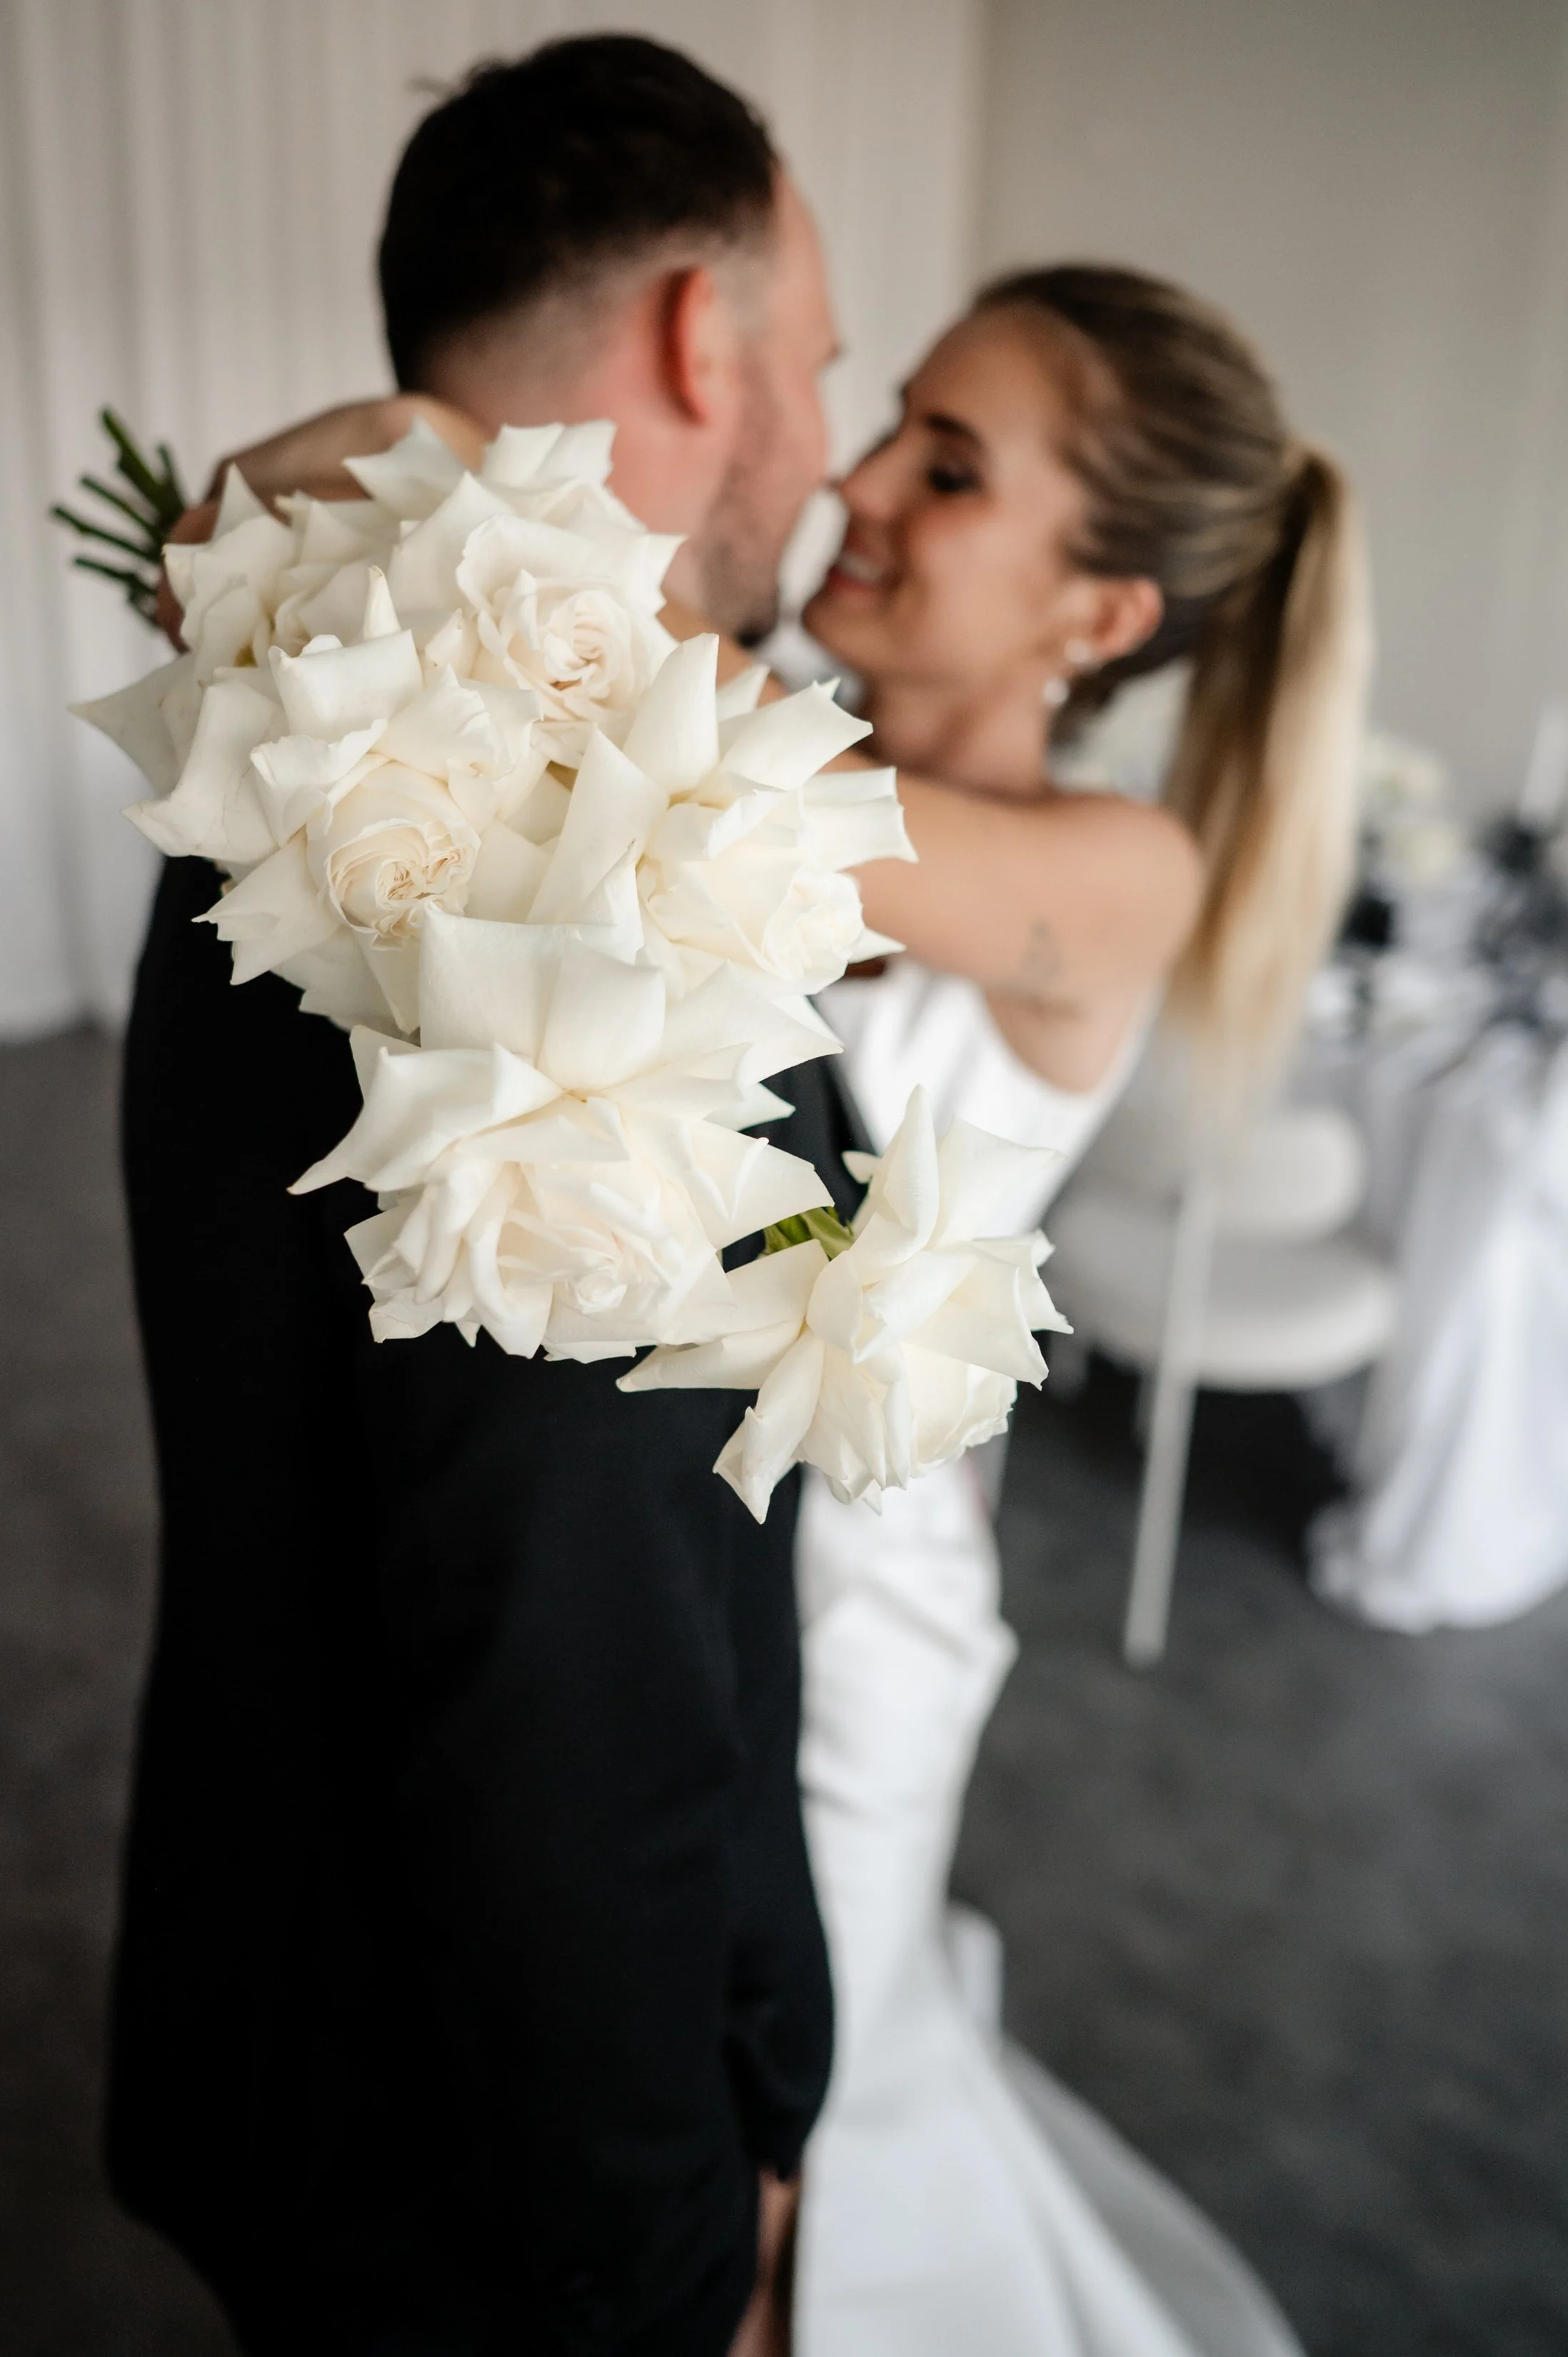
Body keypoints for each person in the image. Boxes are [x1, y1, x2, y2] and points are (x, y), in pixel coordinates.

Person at [113, 40, 846, 2356]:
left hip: (284, 1982)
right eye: (817, 367)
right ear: (697, 338)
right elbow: (574, 1652)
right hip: (491, 2171)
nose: (817, 453)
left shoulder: (286, 717)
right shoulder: (585, 877)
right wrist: (642, 2255)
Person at [781, 266, 1369, 2352]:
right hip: (620, 1538)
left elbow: (741, 834)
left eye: (943, 466)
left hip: (842, 1610)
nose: (849, 479)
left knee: (781, 2146)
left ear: (1099, 615)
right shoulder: (758, 716)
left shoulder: (1115, 869)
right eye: (881, 422)